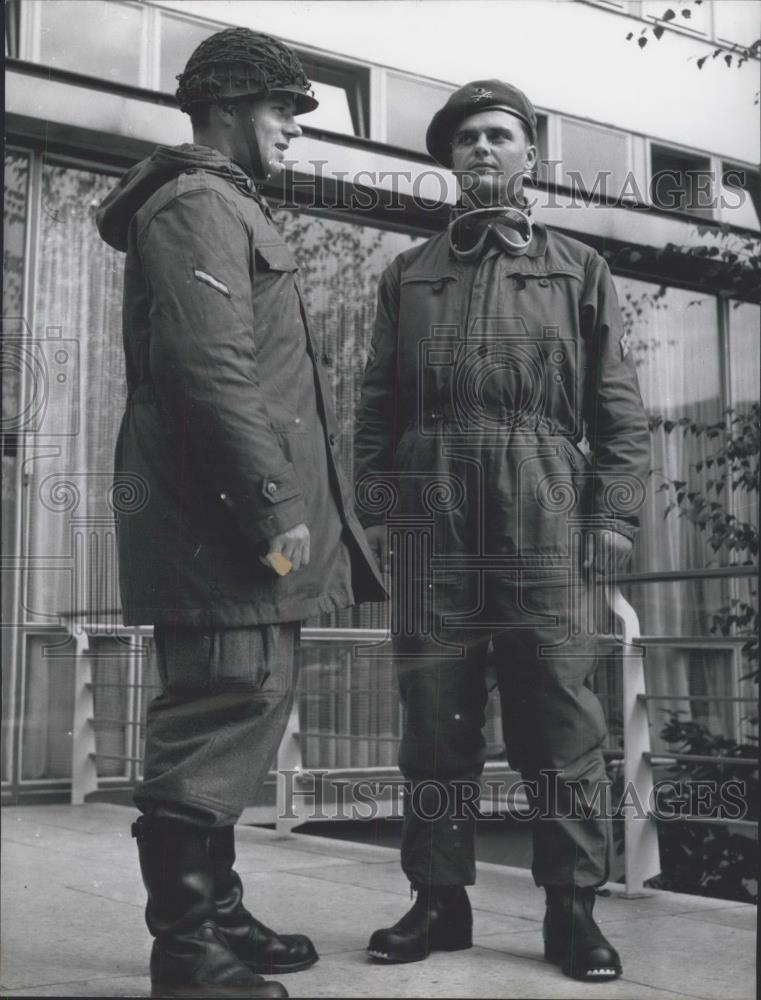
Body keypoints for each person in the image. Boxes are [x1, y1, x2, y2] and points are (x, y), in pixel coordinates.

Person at [97, 27, 386, 1000]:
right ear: (226, 105)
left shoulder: (216, 204)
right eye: (283, 112)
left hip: (215, 517)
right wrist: (271, 502)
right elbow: (209, 370)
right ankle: (185, 951)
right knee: (222, 705)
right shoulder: (195, 205)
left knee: (239, 708)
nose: (294, 133)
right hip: (221, 521)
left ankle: (214, 911)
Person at [354, 79, 650, 983]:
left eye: (500, 136)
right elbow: (373, 405)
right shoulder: (407, 274)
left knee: (558, 714)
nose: (482, 149)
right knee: (433, 725)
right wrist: (380, 510)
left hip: (542, 506)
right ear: (449, 158)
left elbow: (618, 409)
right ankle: (438, 900)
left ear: (528, 156)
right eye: (466, 138)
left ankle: (571, 911)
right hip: (431, 511)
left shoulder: (577, 267)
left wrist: (610, 513)